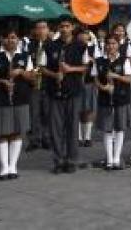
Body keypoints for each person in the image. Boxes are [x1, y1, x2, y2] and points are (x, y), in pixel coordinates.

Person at [0, 30, 34, 180]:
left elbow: (32, 78)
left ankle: (13, 166)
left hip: (20, 99)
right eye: (7, 37)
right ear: (2, 39)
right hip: (0, 98)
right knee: (2, 133)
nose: (10, 40)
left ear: (18, 40)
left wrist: (21, 73)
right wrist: (1, 81)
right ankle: (4, 167)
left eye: (13, 37)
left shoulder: (25, 56)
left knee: (17, 132)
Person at [39, 19, 89, 174]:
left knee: (72, 127)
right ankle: (58, 160)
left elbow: (86, 67)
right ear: (58, 28)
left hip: (74, 91)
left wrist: (70, 69)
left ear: (72, 28)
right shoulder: (48, 46)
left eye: (67, 26)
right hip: (54, 92)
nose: (65, 29)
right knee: (56, 129)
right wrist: (55, 74)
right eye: (62, 26)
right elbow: (41, 67)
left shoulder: (81, 46)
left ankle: (72, 160)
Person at [93, 34, 131, 171]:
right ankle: (109, 159)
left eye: (114, 43)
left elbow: (129, 79)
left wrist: (117, 76)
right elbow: (96, 78)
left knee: (120, 128)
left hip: (121, 98)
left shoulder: (124, 61)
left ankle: (117, 157)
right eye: (108, 43)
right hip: (105, 98)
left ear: (118, 45)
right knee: (107, 129)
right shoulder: (99, 61)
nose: (111, 46)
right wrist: (103, 87)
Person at [25, 20, 52, 151]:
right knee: (34, 112)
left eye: (43, 27)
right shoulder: (29, 46)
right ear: (34, 30)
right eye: (38, 28)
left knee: (47, 113)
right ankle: (35, 139)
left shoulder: (53, 45)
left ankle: (47, 138)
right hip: (33, 84)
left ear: (48, 30)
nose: (41, 30)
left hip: (48, 83)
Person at [79, 29, 99, 147]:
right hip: (76, 82)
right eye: (81, 34)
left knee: (89, 109)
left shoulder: (94, 48)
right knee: (77, 109)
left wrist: (93, 60)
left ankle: (87, 137)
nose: (83, 36)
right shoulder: (74, 47)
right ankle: (78, 137)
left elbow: (100, 61)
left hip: (89, 82)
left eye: (86, 34)